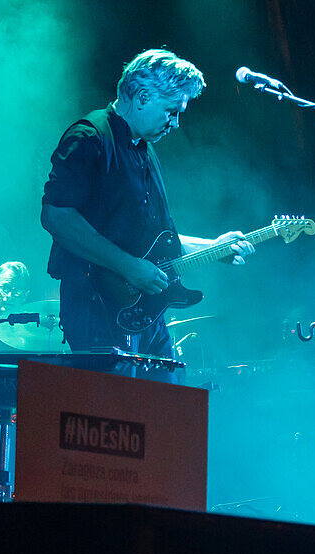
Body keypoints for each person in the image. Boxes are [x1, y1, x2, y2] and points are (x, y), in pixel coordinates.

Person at [41, 49, 253, 363]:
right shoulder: (90, 136)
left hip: (144, 310)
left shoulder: (144, 150)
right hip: (95, 304)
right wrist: (129, 267)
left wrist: (213, 247)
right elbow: (56, 215)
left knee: (167, 398)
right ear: (142, 97)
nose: (176, 123)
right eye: (171, 111)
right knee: (118, 406)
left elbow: (154, 244)